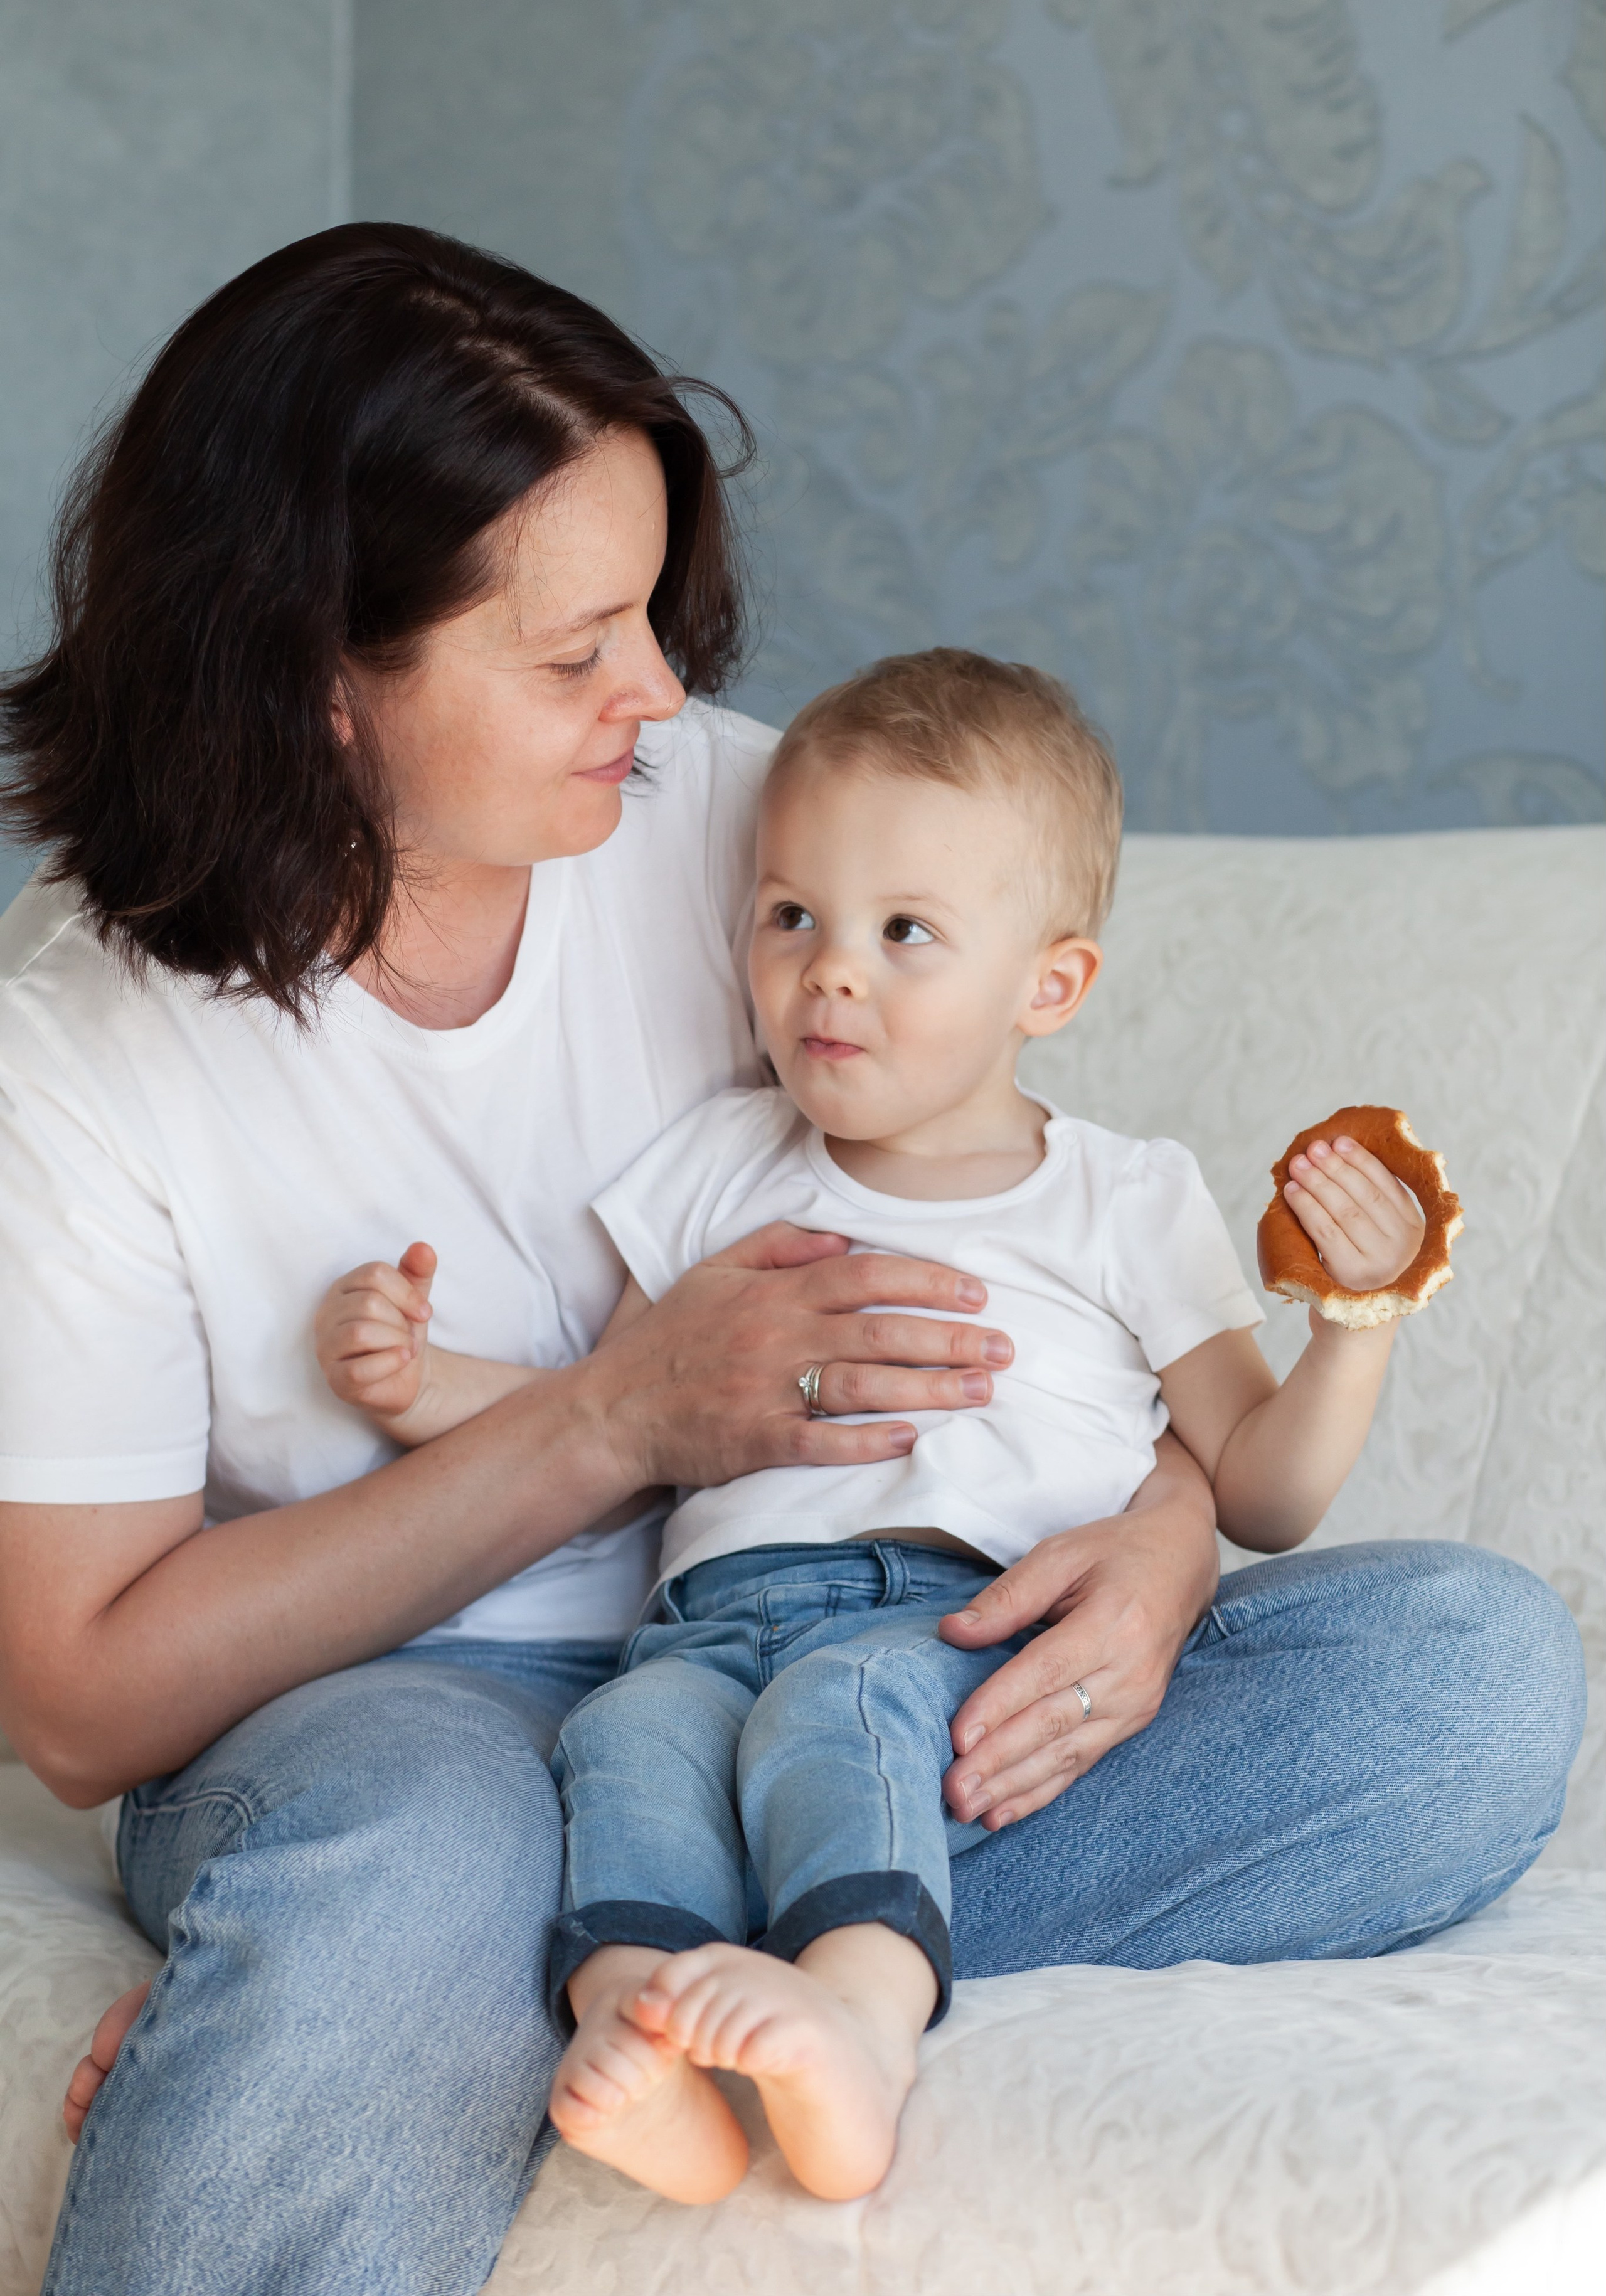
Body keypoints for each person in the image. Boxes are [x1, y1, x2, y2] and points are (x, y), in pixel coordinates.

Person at [0, 226, 1582, 2296]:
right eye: (574, 654)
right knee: (416, 1856)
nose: (660, 694)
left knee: (1463, 1669)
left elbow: (1052, 1263)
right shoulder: (81, 1048)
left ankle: (553, 1979)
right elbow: (84, 1698)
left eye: (653, 614)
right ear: (322, 680)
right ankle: (456, 1945)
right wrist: (607, 1424)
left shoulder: (764, 837)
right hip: (405, 1711)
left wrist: (1170, 1539)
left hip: (868, 1670)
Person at [307, 652, 1444, 2205]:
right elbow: (604, 1411)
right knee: (623, 1748)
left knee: (836, 1717)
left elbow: (1263, 1489)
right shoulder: (722, 1161)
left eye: (903, 933)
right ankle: (639, 2047)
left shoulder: (1120, 1198)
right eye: (791, 918)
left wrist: (1352, 1323)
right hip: (698, 1629)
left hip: (944, 1624)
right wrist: (419, 1383)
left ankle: (858, 2032)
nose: (828, 972)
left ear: (1049, 984)